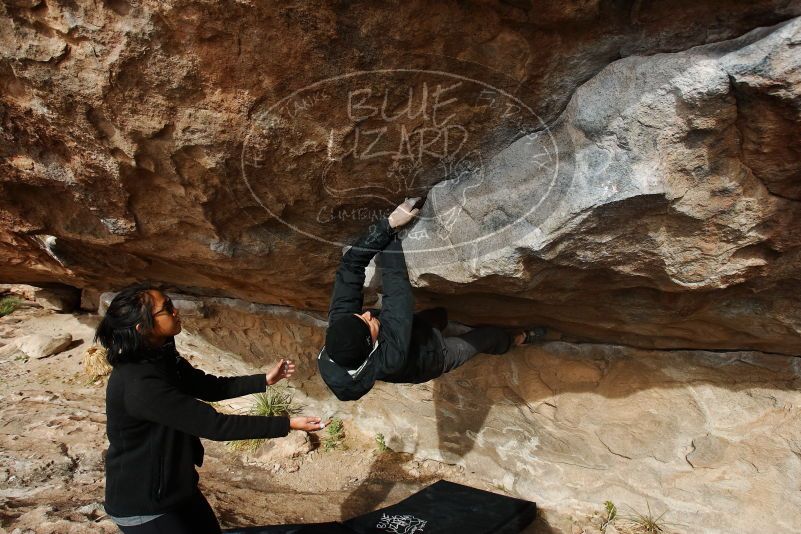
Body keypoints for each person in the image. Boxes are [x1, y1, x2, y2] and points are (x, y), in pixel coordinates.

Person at [96, 284, 326, 534]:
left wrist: (264, 380)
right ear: (143, 328)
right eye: (167, 309)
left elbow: (208, 387)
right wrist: (287, 424)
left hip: (177, 489)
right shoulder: (140, 385)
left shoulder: (159, 355)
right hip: (146, 507)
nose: (176, 312)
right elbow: (216, 426)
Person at [318, 199, 547, 401]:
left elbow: (350, 266)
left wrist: (386, 225)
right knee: (484, 338)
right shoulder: (392, 356)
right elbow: (396, 290)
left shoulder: (341, 327)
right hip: (434, 357)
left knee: (437, 317)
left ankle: (442, 321)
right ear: (370, 346)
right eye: (367, 323)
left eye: (359, 316)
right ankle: (515, 340)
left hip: (413, 332)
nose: (367, 314)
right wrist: (392, 235)